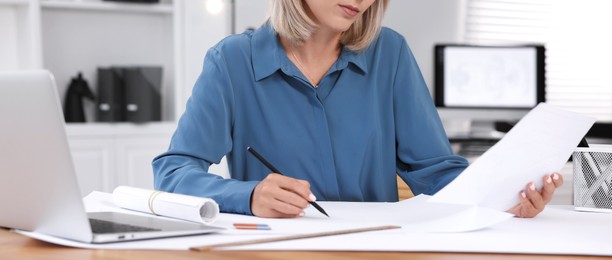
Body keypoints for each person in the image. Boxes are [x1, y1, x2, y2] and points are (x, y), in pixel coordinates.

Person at [153, 0, 562, 219]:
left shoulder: (391, 53)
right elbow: (173, 172)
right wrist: (248, 195)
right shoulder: (232, 61)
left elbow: (436, 171)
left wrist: (506, 196)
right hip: (277, 249)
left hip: (376, 248)